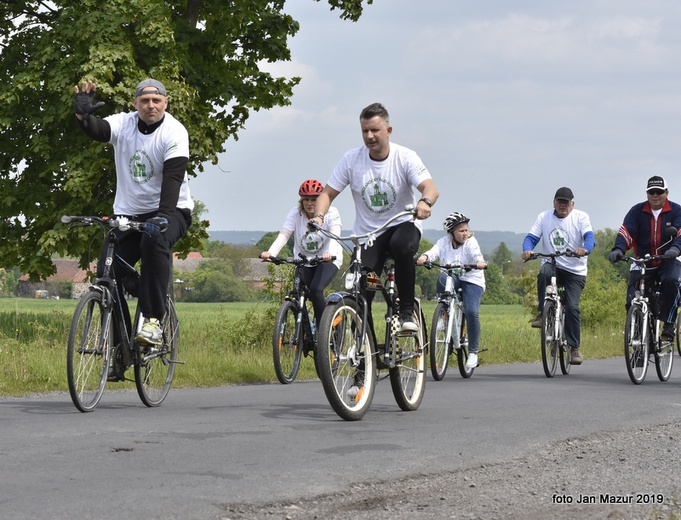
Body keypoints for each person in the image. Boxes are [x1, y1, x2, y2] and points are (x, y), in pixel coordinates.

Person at [73, 78, 193, 351]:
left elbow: (173, 178)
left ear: (166, 102)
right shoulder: (124, 123)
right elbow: (100, 130)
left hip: (172, 209)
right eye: (144, 101)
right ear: (135, 103)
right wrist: (82, 116)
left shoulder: (175, 132)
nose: (151, 106)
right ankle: (120, 349)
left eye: (156, 101)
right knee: (108, 272)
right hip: (128, 213)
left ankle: (152, 320)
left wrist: (163, 216)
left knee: (154, 241)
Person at [310, 102, 439, 333]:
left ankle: (407, 310)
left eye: (375, 130)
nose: (369, 136)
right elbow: (327, 194)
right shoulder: (351, 159)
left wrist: (425, 202)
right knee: (360, 287)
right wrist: (319, 217)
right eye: (365, 131)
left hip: (402, 224)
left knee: (401, 246)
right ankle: (363, 347)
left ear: (388, 131)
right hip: (368, 235)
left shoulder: (405, 157)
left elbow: (430, 188)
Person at [521, 187, 594, 365]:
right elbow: (531, 237)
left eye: (567, 202)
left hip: (574, 270)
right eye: (560, 202)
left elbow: (589, 237)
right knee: (544, 273)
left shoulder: (581, 217)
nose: (563, 205)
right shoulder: (544, 217)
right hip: (552, 264)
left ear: (572, 204)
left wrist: (584, 249)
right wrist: (527, 250)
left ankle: (574, 347)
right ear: (554, 203)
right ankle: (542, 313)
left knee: (572, 307)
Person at [260, 179, 342, 329]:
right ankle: (305, 334)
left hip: (327, 260)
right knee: (299, 295)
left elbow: (334, 236)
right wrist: (271, 253)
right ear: (301, 201)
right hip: (304, 260)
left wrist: (329, 254)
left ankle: (324, 329)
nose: (310, 203)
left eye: (314, 199)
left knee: (316, 290)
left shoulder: (331, 213)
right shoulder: (295, 214)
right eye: (306, 200)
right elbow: (285, 234)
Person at [608, 176, 681, 340]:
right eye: (651, 192)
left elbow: (680, 233)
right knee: (632, 299)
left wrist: (676, 249)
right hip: (642, 262)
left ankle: (669, 323)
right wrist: (618, 249)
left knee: (671, 281)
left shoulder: (677, 211)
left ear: (666, 193)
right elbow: (626, 232)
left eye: (659, 192)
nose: (655, 195)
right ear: (647, 194)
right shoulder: (637, 211)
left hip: (668, 260)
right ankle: (639, 344)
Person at [416, 212, 487, 368]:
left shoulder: (471, 242)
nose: (465, 233)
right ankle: (444, 314)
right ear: (452, 232)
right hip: (452, 278)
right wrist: (425, 257)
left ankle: (473, 352)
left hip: (472, 279)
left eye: (466, 230)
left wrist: (479, 262)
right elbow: (433, 252)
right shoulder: (444, 242)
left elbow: (476, 256)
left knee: (470, 311)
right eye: (461, 231)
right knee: (442, 278)